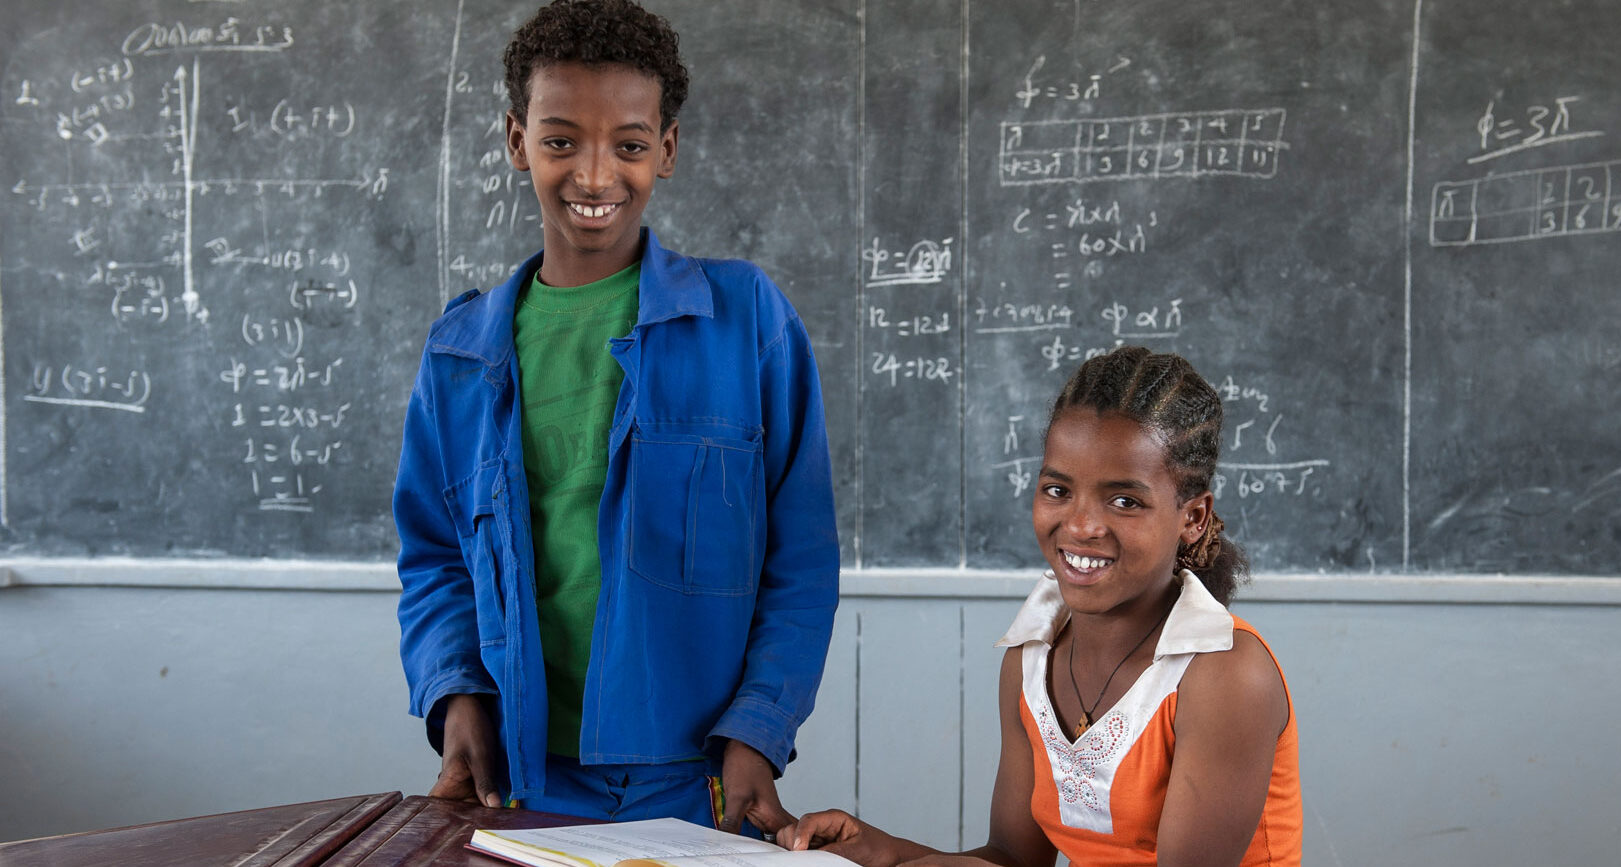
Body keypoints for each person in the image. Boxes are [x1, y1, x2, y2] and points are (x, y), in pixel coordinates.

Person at [392, 0, 837, 835]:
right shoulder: (460, 354)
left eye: (628, 145)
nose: (594, 177)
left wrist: (759, 729)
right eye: (561, 140)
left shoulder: (745, 321)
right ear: (517, 140)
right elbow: (435, 559)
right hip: (522, 776)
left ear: (664, 151)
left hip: (701, 775)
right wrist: (455, 695)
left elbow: (801, 560)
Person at [780, 348, 1299, 866]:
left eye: (1125, 501)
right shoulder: (1031, 659)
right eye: (1058, 490)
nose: (1079, 526)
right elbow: (1012, 858)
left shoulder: (1223, 674)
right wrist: (879, 851)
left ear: (1193, 517)